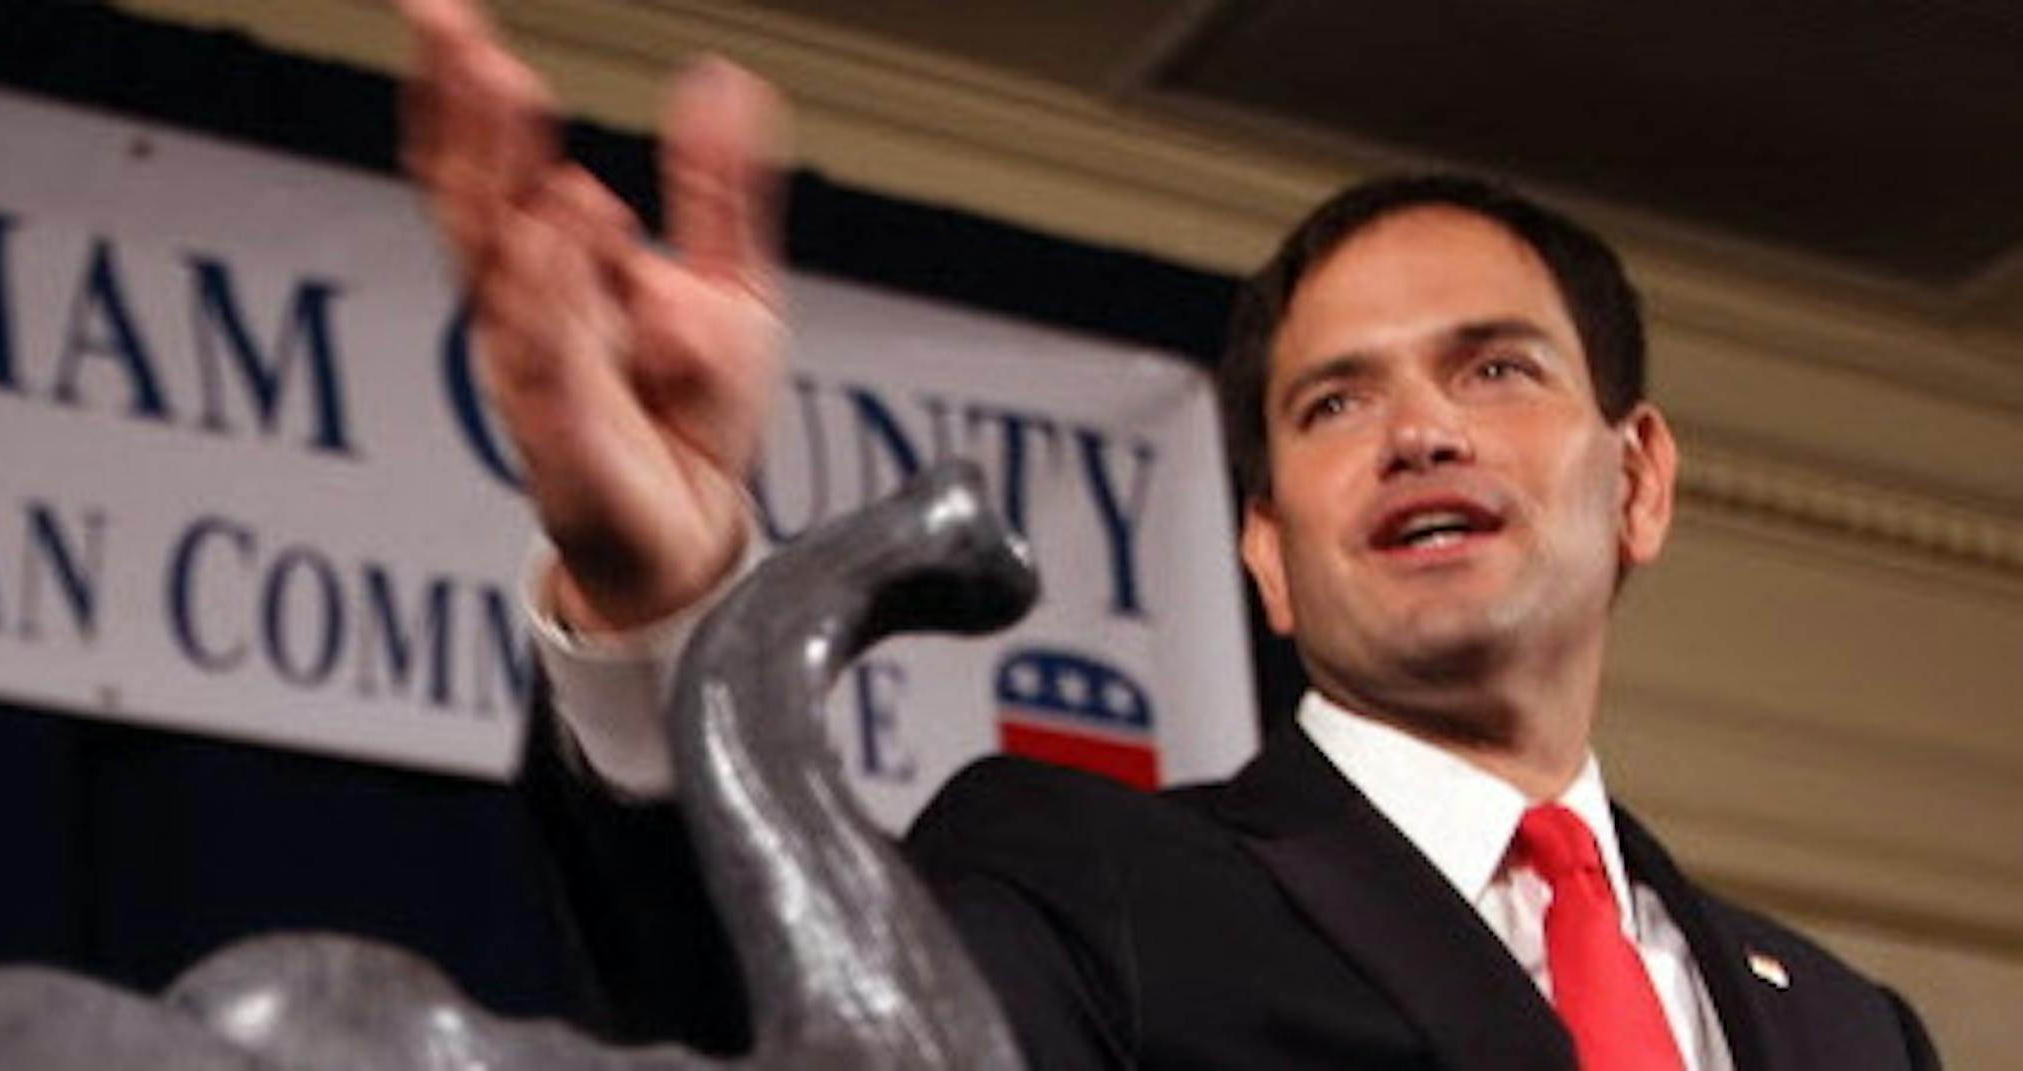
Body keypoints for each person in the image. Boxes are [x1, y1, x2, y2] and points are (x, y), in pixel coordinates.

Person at [395, 0, 1941, 1067]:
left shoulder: (1851, 1032)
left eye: (1495, 370)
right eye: (1335, 402)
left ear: (1642, 481)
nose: (1419, 431)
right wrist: (668, 601)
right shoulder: (1089, 877)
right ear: (1264, 551)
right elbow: (812, 1035)